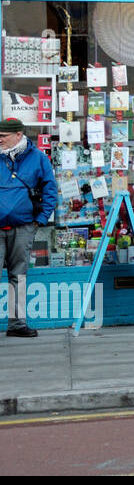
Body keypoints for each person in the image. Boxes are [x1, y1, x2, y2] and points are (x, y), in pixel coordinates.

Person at [0, 117, 55, 338]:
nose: (0, 139)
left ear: (18, 135)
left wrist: (39, 220)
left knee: (18, 275)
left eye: (3, 136)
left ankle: (17, 324)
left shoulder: (38, 158)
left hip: (23, 226)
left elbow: (50, 189)